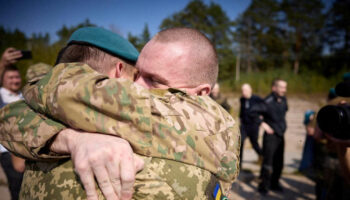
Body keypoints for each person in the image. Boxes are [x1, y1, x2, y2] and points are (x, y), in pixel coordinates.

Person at [0, 27, 240, 199]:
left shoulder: (212, 122)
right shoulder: (97, 119)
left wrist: (40, 84)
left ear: (200, 94)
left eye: (154, 81)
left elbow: (58, 91)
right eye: (138, 75)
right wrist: (71, 139)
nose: (136, 87)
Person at [251, 78, 288, 195]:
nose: (284, 90)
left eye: (285, 87)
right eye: (281, 87)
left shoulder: (284, 100)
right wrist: (263, 124)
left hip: (280, 135)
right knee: (268, 162)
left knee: (279, 162)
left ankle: (274, 183)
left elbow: (284, 113)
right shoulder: (268, 101)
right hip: (270, 137)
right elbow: (252, 112)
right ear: (274, 88)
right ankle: (264, 186)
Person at [0, 65, 25, 200]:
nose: (15, 80)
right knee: (17, 188)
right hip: (9, 152)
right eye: (10, 77)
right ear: (2, 79)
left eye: (17, 77)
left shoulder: (24, 95)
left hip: (28, 149)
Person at [239, 83, 263, 167]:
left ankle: (262, 155)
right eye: (242, 90)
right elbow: (241, 110)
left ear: (250, 90)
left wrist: (261, 117)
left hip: (254, 125)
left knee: (254, 143)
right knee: (240, 142)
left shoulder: (257, 99)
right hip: (244, 125)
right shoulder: (242, 99)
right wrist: (240, 118)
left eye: (245, 90)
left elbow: (265, 107)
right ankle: (239, 163)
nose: (243, 92)